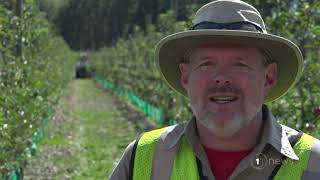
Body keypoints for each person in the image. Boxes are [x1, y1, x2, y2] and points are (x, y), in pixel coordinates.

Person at [109, 0, 320, 179]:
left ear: (268, 78)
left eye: (240, 64)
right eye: (207, 64)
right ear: (185, 76)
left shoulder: (314, 163)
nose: (222, 78)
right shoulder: (142, 158)